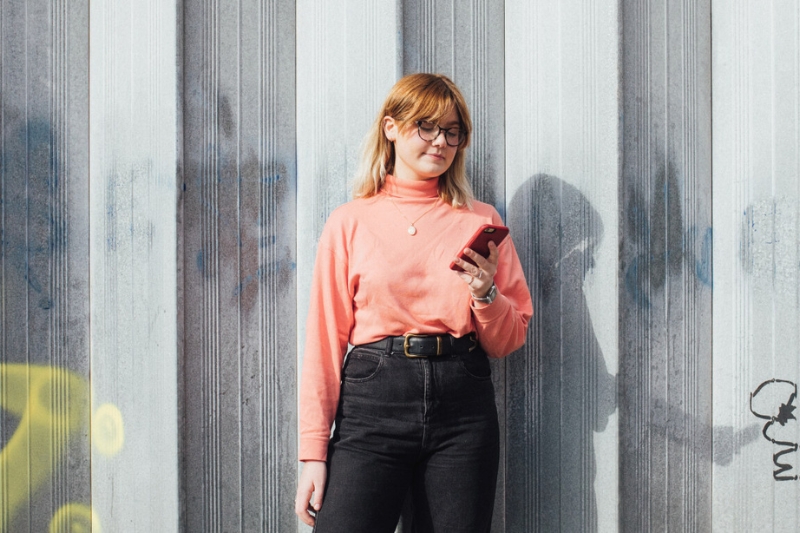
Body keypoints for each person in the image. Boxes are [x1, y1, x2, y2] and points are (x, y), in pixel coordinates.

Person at [294, 73, 533, 533]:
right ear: (391, 128)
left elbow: (508, 338)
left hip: (463, 406)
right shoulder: (350, 222)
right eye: (426, 126)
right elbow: (323, 344)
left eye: (452, 131)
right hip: (372, 402)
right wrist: (313, 454)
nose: (440, 141)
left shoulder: (481, 220)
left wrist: (485, 293)